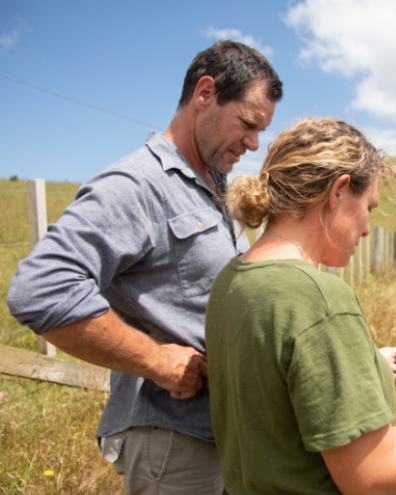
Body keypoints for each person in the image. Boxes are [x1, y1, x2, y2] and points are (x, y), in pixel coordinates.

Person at [7, 40, 282, 495]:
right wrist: (156, 360)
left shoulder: (213, 191)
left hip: (223, 435)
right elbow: (40, 289)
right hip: (174, 441)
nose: (253, 144)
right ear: (205, 93)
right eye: (248, 124)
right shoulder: (136, 184)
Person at [205, 117, 396, 495]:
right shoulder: (321, 300)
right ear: (339, 192)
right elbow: (374, 479)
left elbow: (275, 387)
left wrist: (366, 364)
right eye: (369, 208)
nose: (367, 229)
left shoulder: (231, 280)